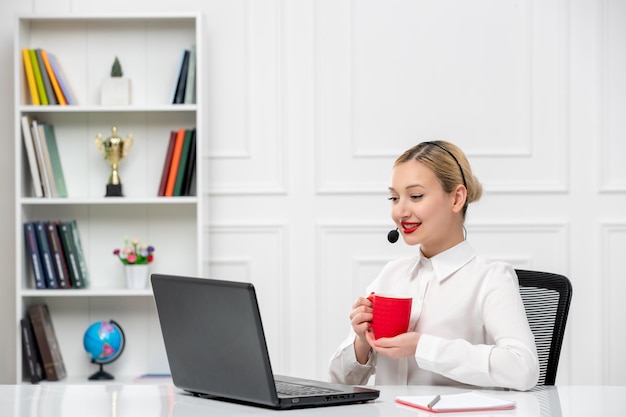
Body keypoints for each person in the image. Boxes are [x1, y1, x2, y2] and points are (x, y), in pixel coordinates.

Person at [329, 140, 539, 391]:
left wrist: (423, 347)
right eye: (394, 197)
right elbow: (339, 383)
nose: (401, 211)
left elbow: (522, 369)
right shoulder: (390, 275)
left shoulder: (490, 278)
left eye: (415, 196)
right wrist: (361, 341)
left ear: (456, 199)